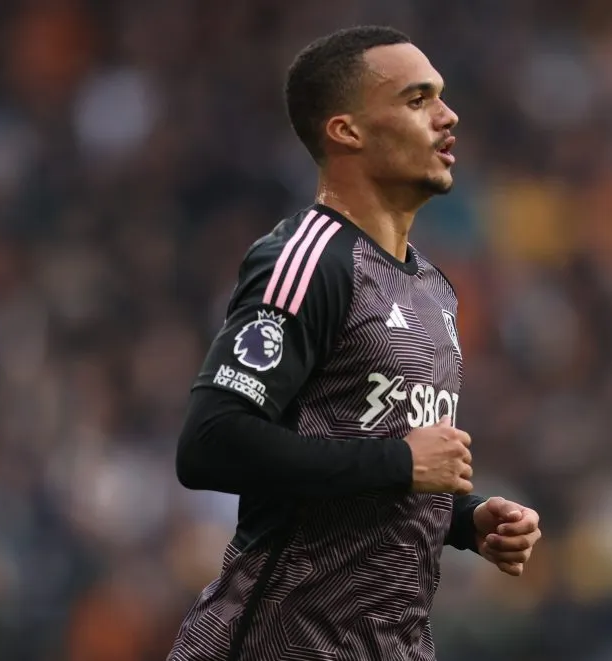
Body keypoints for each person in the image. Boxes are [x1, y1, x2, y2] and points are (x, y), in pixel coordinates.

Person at [167, 25, 542, 661]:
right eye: (418, 100)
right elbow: (211, 443)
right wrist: (402, 465)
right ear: (347, 131)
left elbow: (363, 463)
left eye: (441, 97)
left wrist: (463, 520)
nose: (448, 116)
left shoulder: (433, 287)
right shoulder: (307, 260)